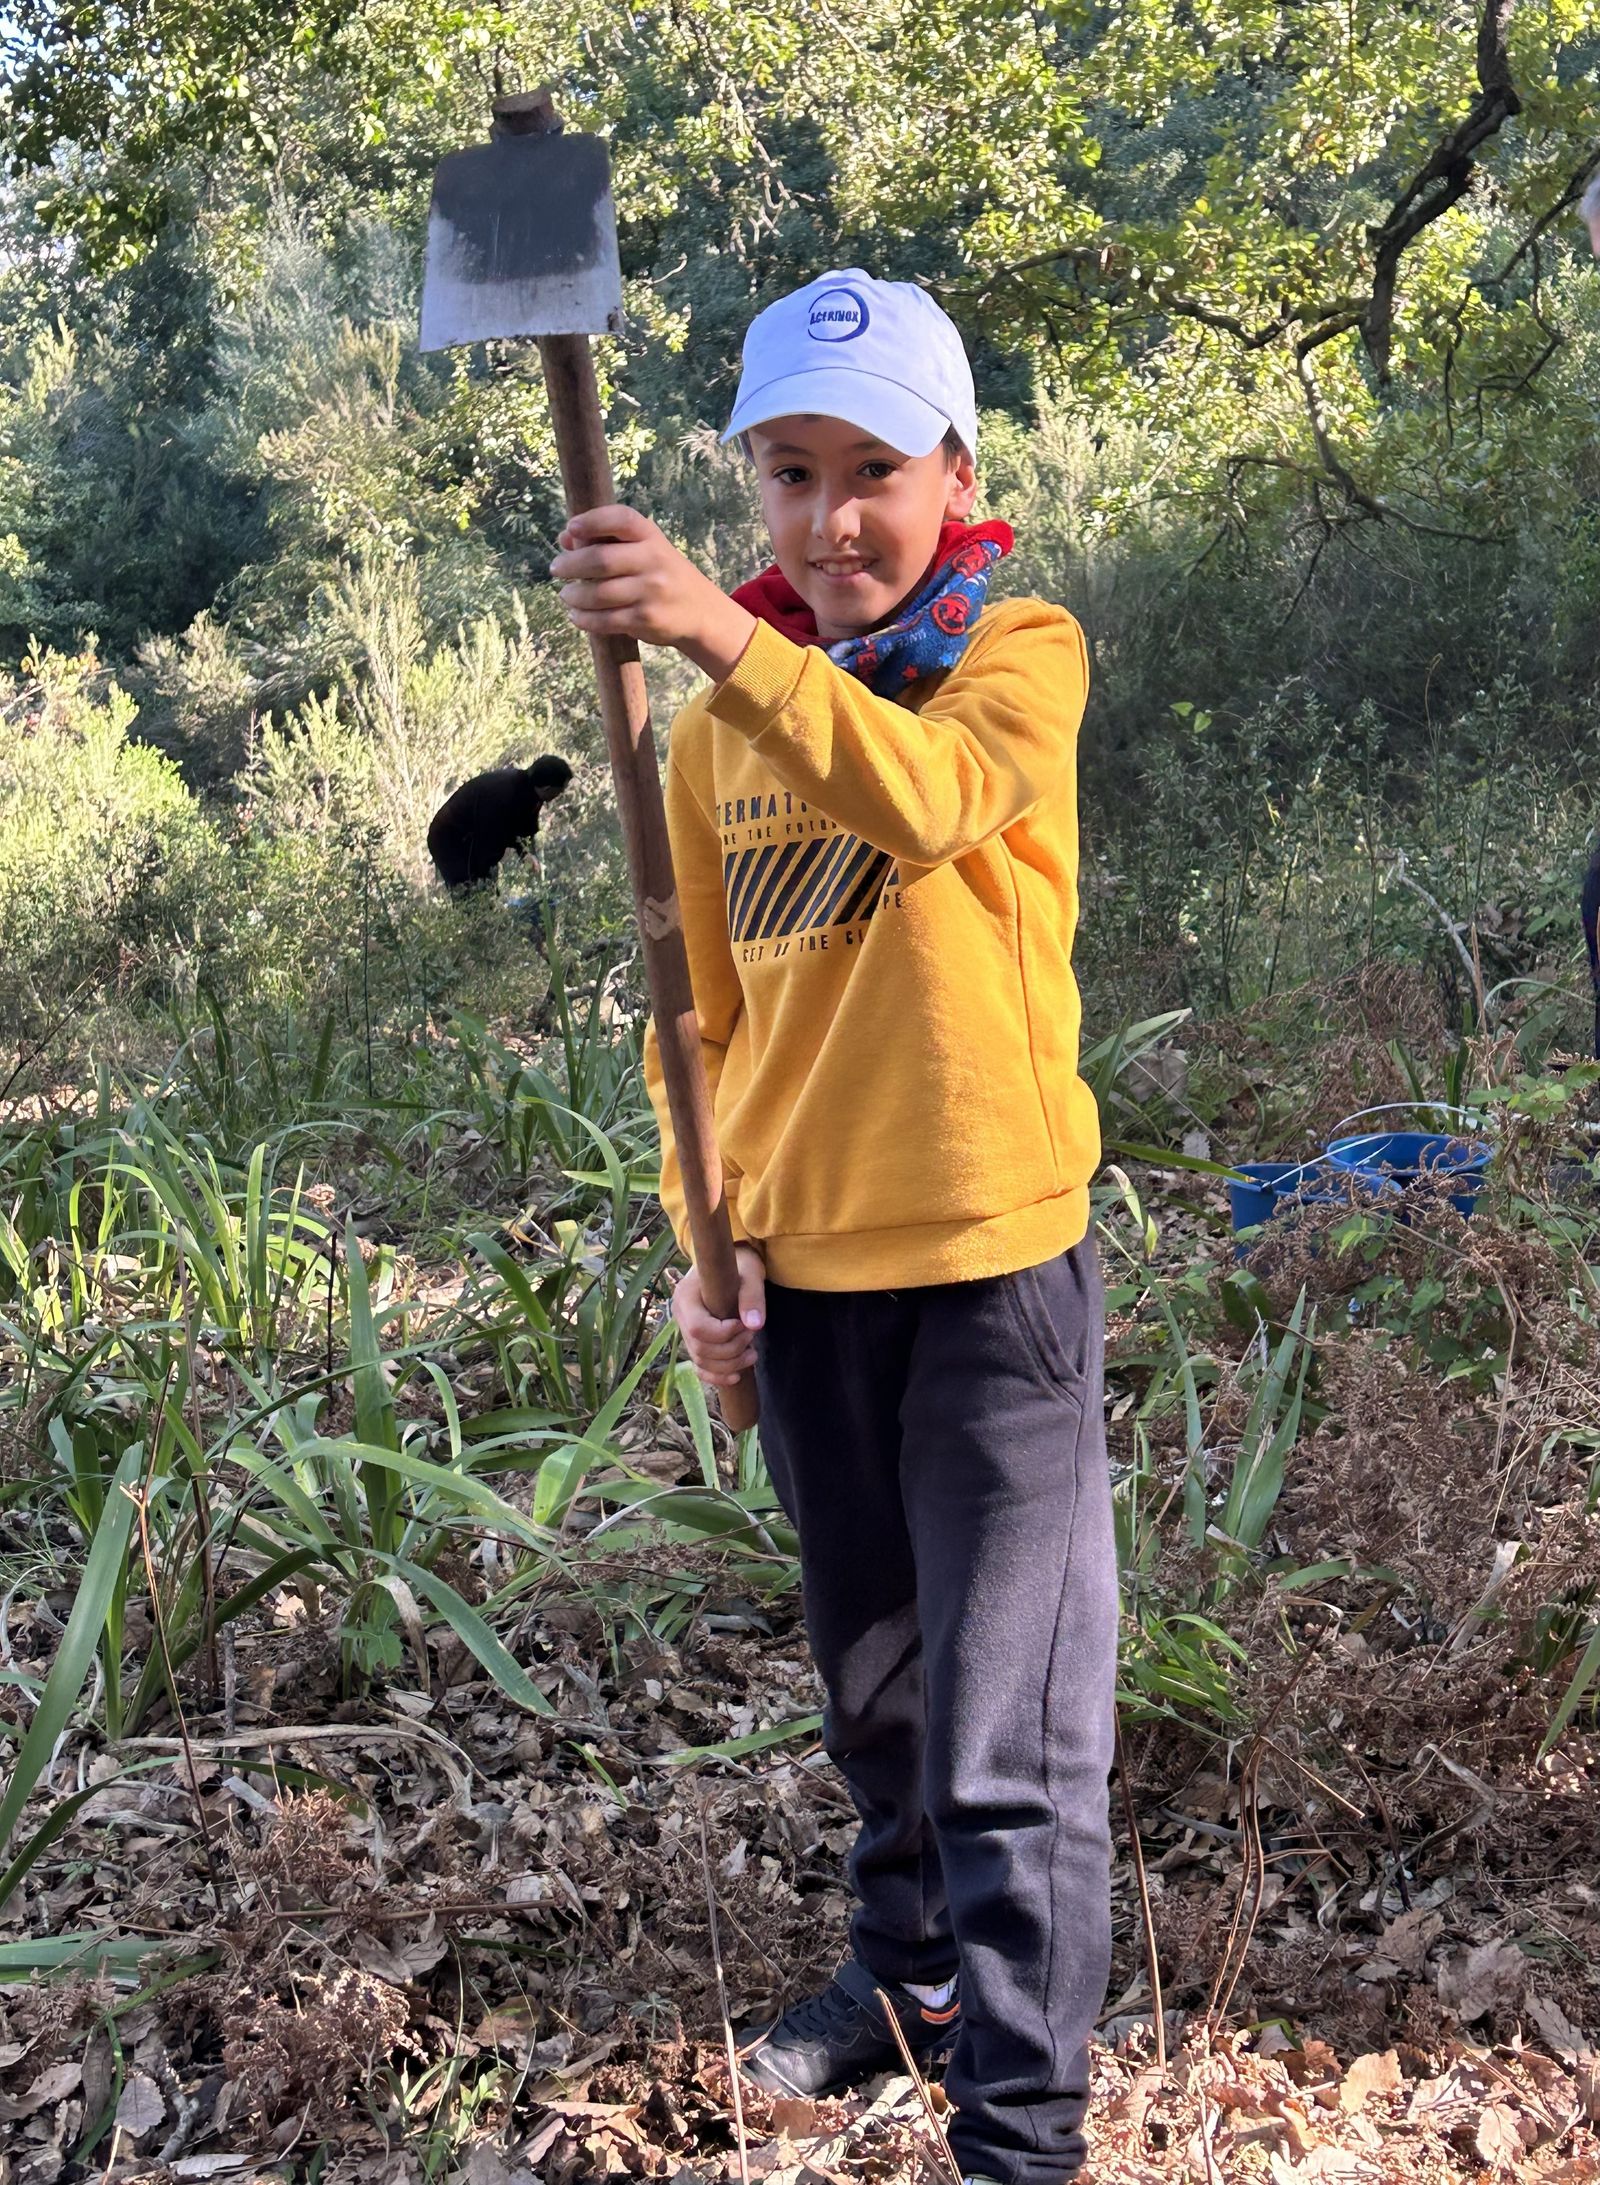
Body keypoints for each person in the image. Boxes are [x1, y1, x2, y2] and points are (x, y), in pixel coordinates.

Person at [551, 270, 1114, 2185]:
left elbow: (942, 802)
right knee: (872, 1688)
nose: (831, 518)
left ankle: (1020, 2132)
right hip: (811, 1299)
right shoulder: (709, 745)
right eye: (788, 475)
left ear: (957, 471)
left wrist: (721, 636)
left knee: (1003, 1744)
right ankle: (904, 1975)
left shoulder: (1015, 654)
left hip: (990, 1283)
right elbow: (695, 1022)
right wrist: (709, 1250)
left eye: (873, 467)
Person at [426, 755, 572, 892]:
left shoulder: (532, 794)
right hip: (451, 839)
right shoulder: (504, 792)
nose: (559, 795)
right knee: (470, 891)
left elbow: (525, 831)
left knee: (486, 888)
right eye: (559, 791)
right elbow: (489, 837)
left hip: (477, 839)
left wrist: (528, 854)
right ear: (548, 788)